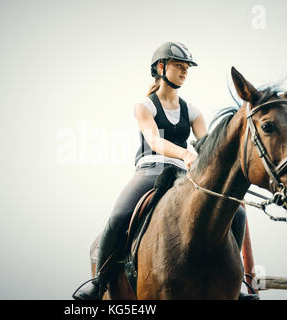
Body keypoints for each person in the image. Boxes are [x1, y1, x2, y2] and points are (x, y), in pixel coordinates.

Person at [72, 41, 255, 300]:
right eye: (179, 66)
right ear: (161, 67)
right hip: (150, 172)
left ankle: (234, 285)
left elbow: (206, 146)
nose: (184, 72)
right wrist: (183, 152)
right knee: (118, 216)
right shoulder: (144, 106)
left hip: (185, 177)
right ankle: (98, 283)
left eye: (186, 68)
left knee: (236, 214)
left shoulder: (192, 111)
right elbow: (154, 141)